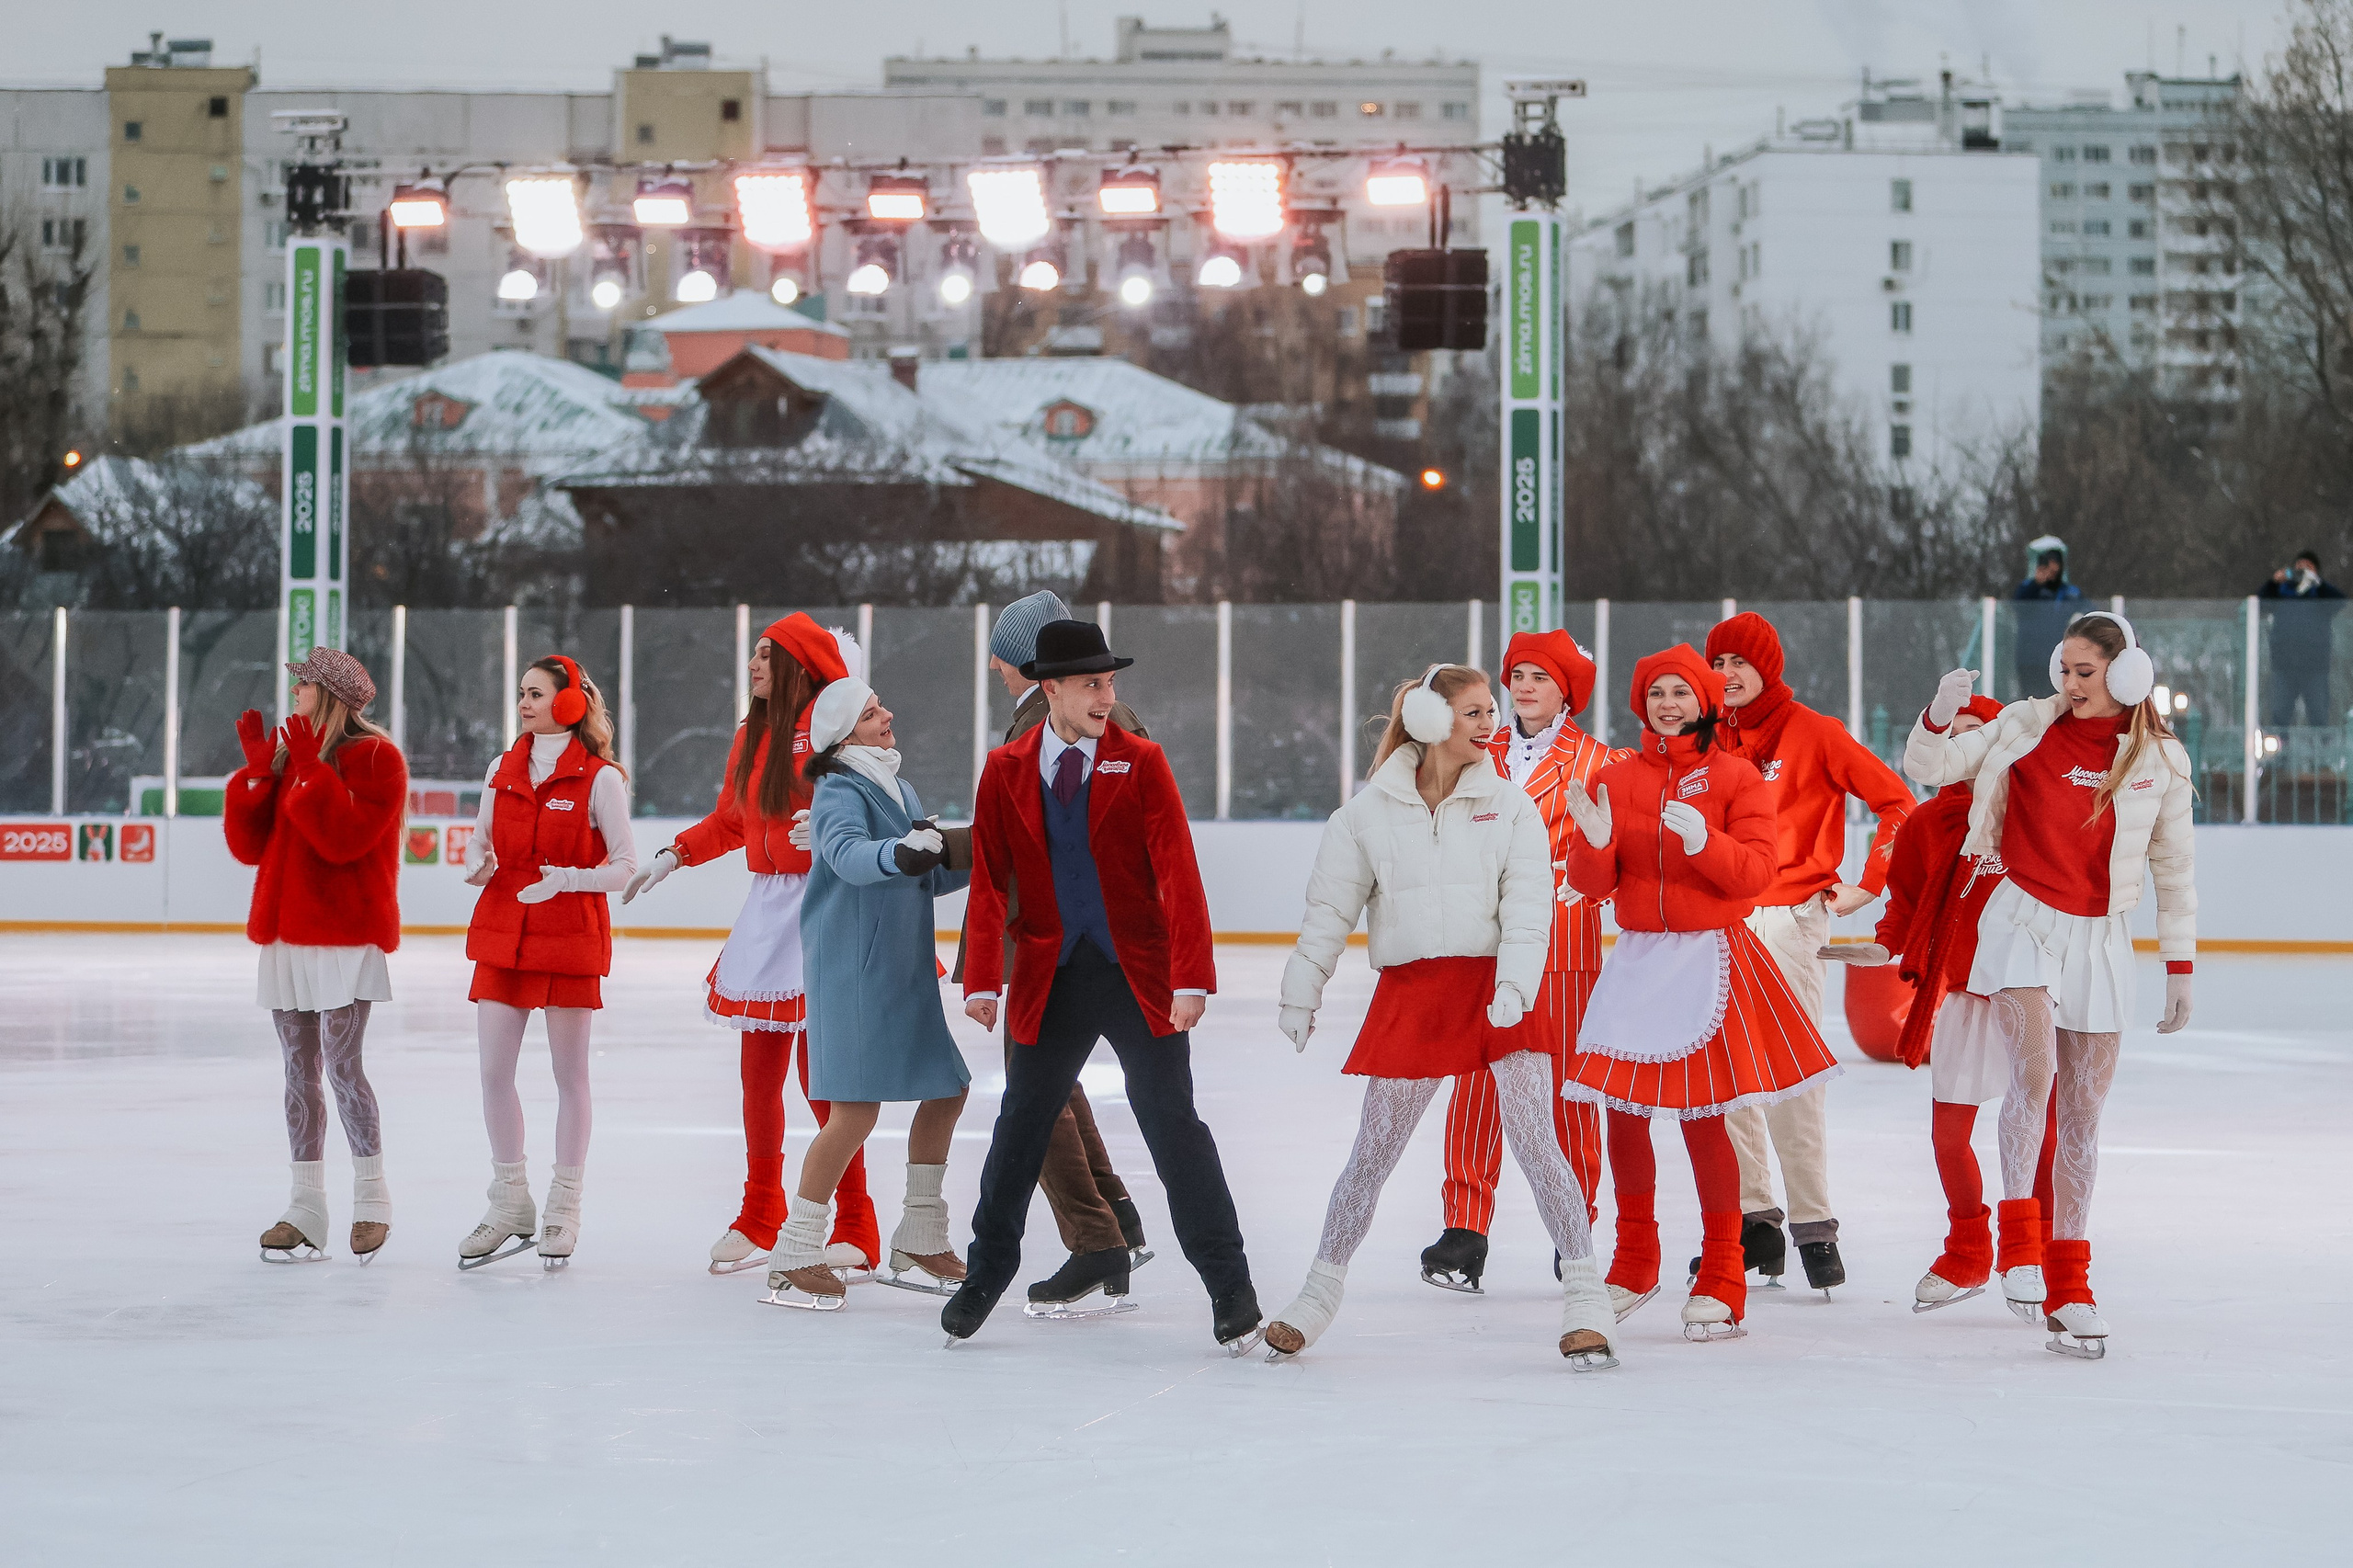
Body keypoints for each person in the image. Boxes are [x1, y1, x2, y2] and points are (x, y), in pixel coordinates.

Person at [1267, 664, 1620, 1369]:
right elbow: (1329, 912)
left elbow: (1528, 907)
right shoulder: (1364, 816)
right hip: (1414, 994)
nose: (1491, 723)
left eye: (1492, 710)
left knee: (1535, 1142)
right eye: (1474, 712)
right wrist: (1300, 993)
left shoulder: (1510, 806)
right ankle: (1316, 1294)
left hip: (1498, 992)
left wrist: (1518, 986)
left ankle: (1586, 1296)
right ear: (1432, 722)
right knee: (1371, 1154)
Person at [945, 619, 1262, 1352]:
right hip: (1050, 976)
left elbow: (1178, 872)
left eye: (1110, 682)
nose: (1105, 696)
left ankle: (1230, 1286)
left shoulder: (1141, 761)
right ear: (1048, 687)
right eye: (1090, 684)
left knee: (1172, 1126)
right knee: (1020, 1125)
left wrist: (1191, 978)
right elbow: (991, 880)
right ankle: (985, 1273)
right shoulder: (1006, 768)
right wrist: (984, 978)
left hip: (1137, 974)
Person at [1905, 610, 2197, 1358]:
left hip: (2100, 937)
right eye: (2062, 670)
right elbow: (1933, 769)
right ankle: (2020, 1248)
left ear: (2127, 676)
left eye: (2085, 673)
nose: (2068, 685)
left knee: (2084, 1115)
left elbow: (2174, 868)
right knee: (2031, 1079)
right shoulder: (2025, 725)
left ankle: (2072, 1286)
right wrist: (1938, 716)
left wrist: (2180, 966)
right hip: (2021, 922)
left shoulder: (2159, 760)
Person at [1557, 645, 1843, 1343]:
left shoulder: (1737, 776)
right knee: (1620, 1116)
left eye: (1681, 692)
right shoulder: (1619, 779)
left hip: (1706, 961)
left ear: (1707, 701)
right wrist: (1593, 845)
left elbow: (1753, 875)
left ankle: (1724, 1274)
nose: (1668, 704)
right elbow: (1595, 887)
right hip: (1638, 960)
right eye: (1656, 692)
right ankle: (1634, 1260)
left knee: (1701, 1118)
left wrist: (1704, 844)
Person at [621, 614, 880, 1278]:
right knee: (757, 1077)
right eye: (755, 654)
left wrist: (825, 834)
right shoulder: (751, 736)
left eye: (768, 655)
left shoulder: (833, 729)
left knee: (822, 1081)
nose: (754, 665)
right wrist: (673, 855)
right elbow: (733, 819)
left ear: (798, 666)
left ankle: (856, 1224)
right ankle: (758, 1214)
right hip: (767, 913)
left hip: (824, 904)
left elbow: (874, 808)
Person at [951, 589, 1158, 1315]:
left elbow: (1038, 837)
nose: (999, 668)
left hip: (1059, 937)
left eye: (1005, 656)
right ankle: (1115, 1218)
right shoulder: (1054, 715)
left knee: (1031, 1099)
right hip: (1062, 934)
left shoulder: (1056, 715)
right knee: (1053, 1087)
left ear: (1034, 663)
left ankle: (1096, 1239)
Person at [1822, 694, 2059, 1313]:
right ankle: (1969, 1249)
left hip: (2027, 992)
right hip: (1960, 996)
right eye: (1953, 736)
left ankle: (2032, 1256)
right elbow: (1903, 901)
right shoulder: (1928, 825)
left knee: (2043, 1132)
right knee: (1950, 1137)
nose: (1964, 746)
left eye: (1977, 732)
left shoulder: (2033, 812)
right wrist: (1885, 947)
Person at [1704, 611, 1911, 1296]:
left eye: (1740, 662)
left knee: (1790, 1070)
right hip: (1720, 919)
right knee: (1725, 1070)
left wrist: (1870, 884)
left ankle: (1815, 1226)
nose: (1727, 675)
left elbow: (1898, 804)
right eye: (1719, 663)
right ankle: (1754, 1221)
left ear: (1769, 667)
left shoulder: (1814, 732)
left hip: (1791, 919)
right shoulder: (1705, 739)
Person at [1419, 630, 1629, 1294]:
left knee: (1568, 1094)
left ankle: (1576, 1231)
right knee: (1476, 1084)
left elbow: (1617, 851)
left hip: (1565, 943)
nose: (1527, 687)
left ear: (1567, 687)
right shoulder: (1478, 751)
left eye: (1542, 675)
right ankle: (1465, 1227)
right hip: (1484, 943)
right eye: (1518, 675)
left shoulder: (1599, 761)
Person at [761, 675, 975, 1310]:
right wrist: (902, 852)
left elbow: (918, 877)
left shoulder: (896, 784)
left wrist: (969, 859)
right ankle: (797, 1248)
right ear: (845, 731)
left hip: (901, 971)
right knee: (855, 1112)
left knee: (947, 1087)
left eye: (881, 704)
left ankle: (920, 1232)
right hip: (853, 970)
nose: (887, 714)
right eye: (872, 710)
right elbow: (850, 857)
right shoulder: (837, 789)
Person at [224, 648, 407, 1264]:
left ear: (329, 696)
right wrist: (256, 776)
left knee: (342, 1065)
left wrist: (308, 770)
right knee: (297, 1070)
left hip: (344, 937)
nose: (294, 692)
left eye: (303, 684)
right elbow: (249, 848)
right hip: (286, 935)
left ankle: (372, 1197)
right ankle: (305, 1206)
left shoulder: (378, 758)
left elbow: (344, 838)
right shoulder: (288, 757)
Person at [455, 656, 636, 1269]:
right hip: (504, 930)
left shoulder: (600, 779)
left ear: (568, 703)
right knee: (492, 1073)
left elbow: (625, 867)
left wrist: (569, 880)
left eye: (536, 694)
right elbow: (482, 843)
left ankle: (565, 1204)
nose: (524, 704)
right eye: (521, 694)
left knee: (570, 1077)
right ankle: (510, 1201)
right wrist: (480, 866)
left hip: (567, 934)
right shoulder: (499, 770)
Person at [2259, 551, 2347, 727]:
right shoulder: (2283, 592)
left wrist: (2317, 582)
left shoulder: (2321, 594)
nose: (2302, 570)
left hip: (2315, 666)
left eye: (2308, 567)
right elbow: (2260, 604)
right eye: (2299, 567)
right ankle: (2280, 753)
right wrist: (2274, 583)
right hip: (2284, 665)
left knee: (2319, 715)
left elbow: (2340, 602)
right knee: (2280, 715)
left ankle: (2321, 752)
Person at [2010, 538, 2084, 699]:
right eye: (2047, 564)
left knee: (2055, 700)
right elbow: (2017, 607)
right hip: (2029, 657)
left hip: (2059, 657)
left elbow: (2085, 611)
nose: (2051, 570)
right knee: (2030, 699)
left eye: (2055, 564)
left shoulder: (2070, 593)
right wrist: (2035, 585)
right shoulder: (2027, 589)